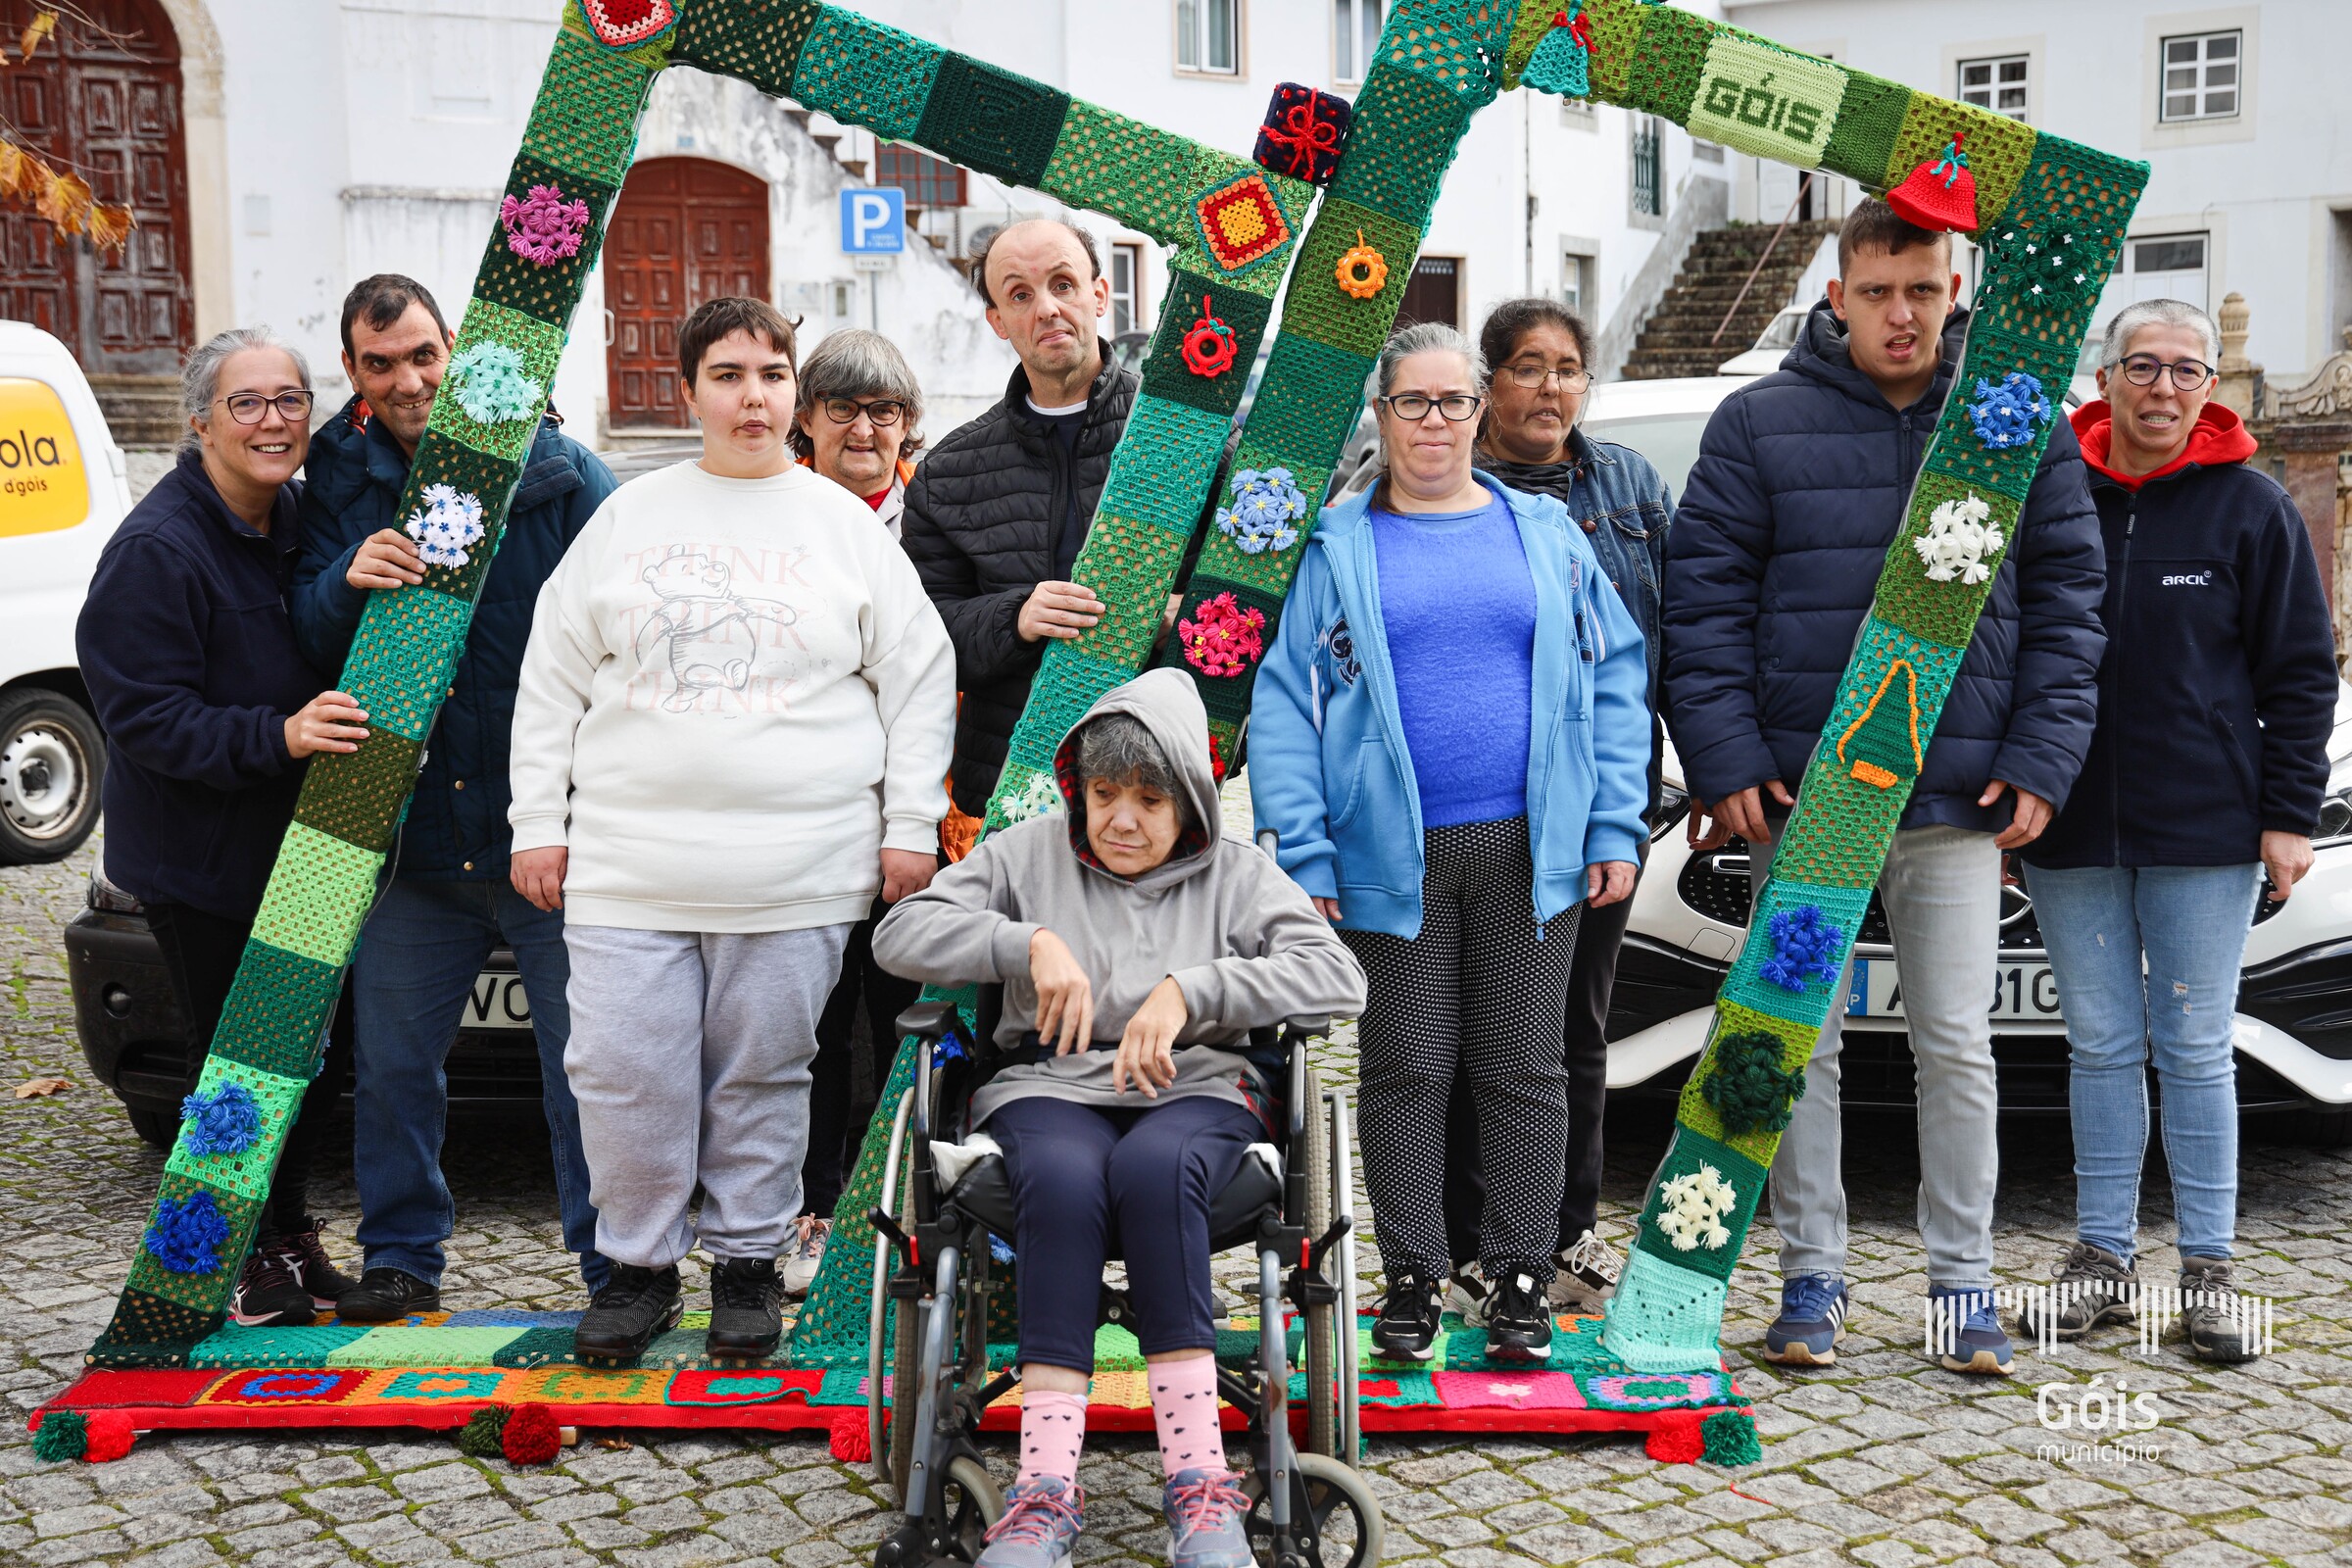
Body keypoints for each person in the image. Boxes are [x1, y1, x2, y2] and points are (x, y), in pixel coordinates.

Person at [1666, 198, 2106, 1375]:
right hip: (1808, 798)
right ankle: (1811, 1275)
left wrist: (2039, 755)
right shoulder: (1758, 423)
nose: (1901, 314)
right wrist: (1730, 757)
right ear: (1837, 296)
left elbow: (2070, 604)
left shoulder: (2014, 424)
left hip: (1959, 796)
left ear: (1955, 288)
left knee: (1957, 1042)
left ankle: (1962, 1289)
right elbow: (1703, 601)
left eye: (1922, 290)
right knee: (1787, 1037)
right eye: (1878, 292)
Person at [507, 297, 956, 1362]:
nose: (752, 395)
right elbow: (550, 679)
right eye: (728, 374)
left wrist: (908, 826)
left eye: (770, 373)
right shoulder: (631, 518)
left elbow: (920, 676)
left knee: (764, 1070)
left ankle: (749, 1266)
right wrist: (537, 824)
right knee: (623, 1070)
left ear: (792, 394)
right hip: (629, 866)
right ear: (689, 390)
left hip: (795, 868)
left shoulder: (842, 526)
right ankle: (638, 1268)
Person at [871, 668, 1365, 1568]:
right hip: (1048, 1092)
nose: (1122, 820)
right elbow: (898, 935)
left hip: (1194, 1096)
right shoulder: (1027, 856)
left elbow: (1339, 978)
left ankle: (1200, 1485)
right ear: (1079, 790)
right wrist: (1022, 941)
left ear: (1191, 807)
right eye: (1104, 795)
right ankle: (1043, 1494)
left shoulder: (1238, 875)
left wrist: (1194, 988)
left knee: (1153, 1170)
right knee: (1060, 1176)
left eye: (1148, 799)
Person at [1250, 321, 1650, 1364]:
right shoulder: (1335, 546)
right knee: (1404, 1068)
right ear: (1379, 416)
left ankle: (1522, 1274)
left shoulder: (1547, 534)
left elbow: (1614, 677)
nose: (1434, 422)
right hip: (1392, 856)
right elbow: (1288, 701)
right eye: (1411, 403)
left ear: (1481, 411)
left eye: (1453, 402)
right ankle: (1415, 1276)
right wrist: (1303, 846)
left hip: (1531, 849)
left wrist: (1612, 820)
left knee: (1526, 1068)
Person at [289, 274, 618, 1321]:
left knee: (588, 1072)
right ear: (352, 371)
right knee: (390, 1067)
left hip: (544, 835)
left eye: (423, 355)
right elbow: (292, 631)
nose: (407, 381)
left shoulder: (561, 471)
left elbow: (631, 627)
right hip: (407, 838)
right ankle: (400, 1260)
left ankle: (614, 1268)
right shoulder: (332, 476)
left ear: (457, 351)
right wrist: (344, 578)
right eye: (380, 364)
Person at [2017, 300, 2335, 1363]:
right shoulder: (2054, 497)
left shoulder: (2252, 509)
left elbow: (2301, 675)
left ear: (2213, 387)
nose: (2162, 388)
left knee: (2195, 1047)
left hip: (2208, 823)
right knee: (2101, 1045)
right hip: (2070, 820)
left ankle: (2208, 1268)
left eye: (2184, 370)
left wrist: (2288, 813)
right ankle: (2102, 1256)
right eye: (2142, 366)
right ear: (2105, 378)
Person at [75, 326, 363, 1328]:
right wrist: (280, 734)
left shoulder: (296, 517)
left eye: (290, 399)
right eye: (248, 403)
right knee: (233, 1073)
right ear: (198, 420)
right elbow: (145, 718)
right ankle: (230, 1263)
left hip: (308, 848)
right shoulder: (158, 551)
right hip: (202, 861)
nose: (275, 419)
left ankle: (284, 1235)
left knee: (312, 1067)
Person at [1437, 297, 1675, 1314]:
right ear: (1490, 382)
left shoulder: (1625, 485)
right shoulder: (1435, 477)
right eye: (1529, 367)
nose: (1550, 388)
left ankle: (1563, 1237)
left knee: (1574, 1032)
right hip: (1462, 799)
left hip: (1589, 806)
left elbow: (1674, 636)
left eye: (1569, 368)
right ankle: (1448, 1242)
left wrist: (1683, 775)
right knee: (1447, 1024)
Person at [782, 327, 929, 1296]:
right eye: (844, 409)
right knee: (815, 1027)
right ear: (808, 423)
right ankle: (814, 1210)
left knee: (909, 1013)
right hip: (803, 815)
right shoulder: (775, 517)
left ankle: (912, 1211)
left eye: (883, 411)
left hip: (916, 815)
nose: (865, 429)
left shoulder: (935, 517)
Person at [900, 219, 1136, 820]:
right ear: (998, 321)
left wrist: (1165, 614)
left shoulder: (1178, 441)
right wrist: (1016, 617)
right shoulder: (950, 471)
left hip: (1152, 774)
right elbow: (920, 632)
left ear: (1099, 296)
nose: (1049, 309)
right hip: (1006, 781)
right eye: (1021, 295)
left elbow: (1245, 584)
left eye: (1063, 283)